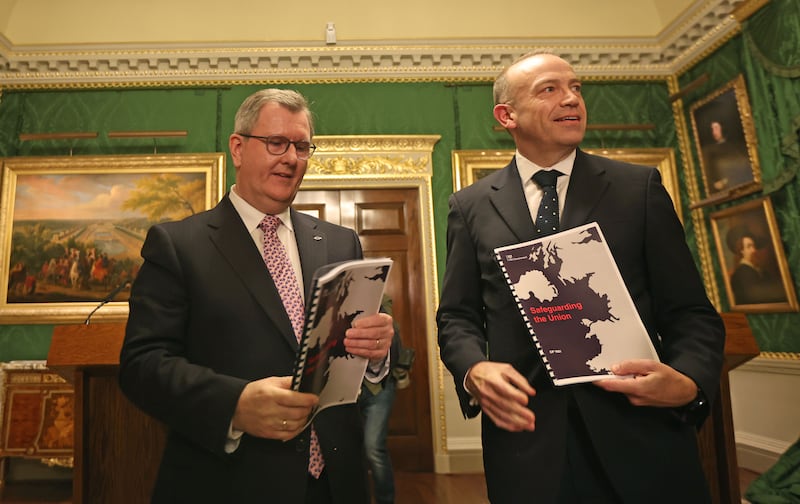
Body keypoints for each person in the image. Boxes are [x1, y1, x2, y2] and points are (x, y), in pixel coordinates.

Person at [437, 51, 726, 503]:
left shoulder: (638, 189)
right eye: (549, 89)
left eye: (576, 87)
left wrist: (689, 381)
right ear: (506, 115)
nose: (571, 98)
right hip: (528, 446)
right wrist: (474, 369)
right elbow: (456, 316)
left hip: (641, 438)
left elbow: (691, 312)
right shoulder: (470, 207)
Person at [118, 88, 395, 504]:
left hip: (338, 483)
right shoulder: (178, 245)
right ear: (238, 148)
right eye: (276, 143)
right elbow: (142, 365)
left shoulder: (340, 244)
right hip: (230, 481)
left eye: (301, 146)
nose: (290, 158)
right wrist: (235, 405)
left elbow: (347, 355)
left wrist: (376, 354)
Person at [358, 295, 403, 504]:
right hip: (348, 391)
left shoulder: (383, 305)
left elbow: (393, 348)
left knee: (373, 448)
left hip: (379, 389)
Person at [727, 226, 786, 305]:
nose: (753, 250)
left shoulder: (758, 269)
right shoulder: (742, 273)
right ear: (741, 251)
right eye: (749, 246)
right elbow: (756, 298)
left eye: (753, 246)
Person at [702, 119, 753, 193]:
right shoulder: (709, 151)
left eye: (716, 128)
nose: (714, 132)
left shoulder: (735, 146)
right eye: (712, 129)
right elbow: (709, 176)